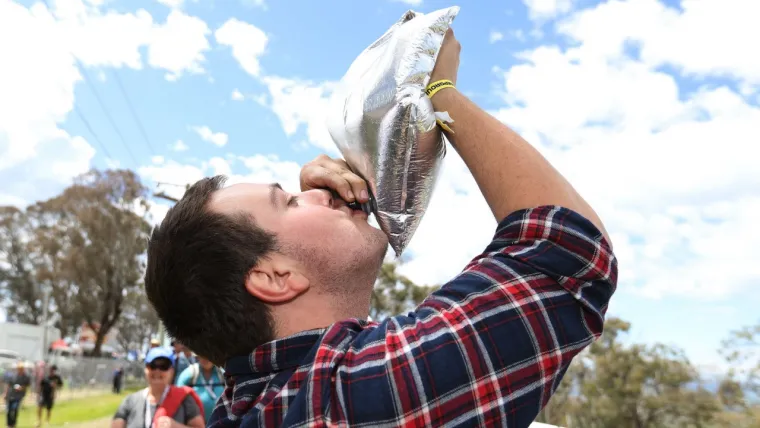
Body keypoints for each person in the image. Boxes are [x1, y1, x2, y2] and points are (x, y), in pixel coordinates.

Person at [144, 28, 617, 428]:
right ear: (274, 279)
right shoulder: (352, 398)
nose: (312, 188)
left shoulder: (265, 401)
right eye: (287, 200)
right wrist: (436, 88)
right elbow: (568, 252)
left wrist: (351, 189)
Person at [112, 347, 205, 428]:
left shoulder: (185, 399)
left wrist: (176, 426)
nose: (157, 370)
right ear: (145, 369)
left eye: (163, 366)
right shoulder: (131, 401)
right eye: (152, 365)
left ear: (172, 371)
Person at [175, 356, 225, 424]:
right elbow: (177, 398)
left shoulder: (222, 373)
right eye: (202, 355)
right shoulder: (189, 373)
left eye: (208, 355)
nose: (206, 358)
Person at [3, 362, 30, 428]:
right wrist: (5, 393)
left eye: (21, 368)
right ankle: (9, 425)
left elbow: (27, 386)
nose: (20, 369)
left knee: (15, 409)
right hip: (10, 395)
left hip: (18, 396)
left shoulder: (26, 377)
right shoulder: (13, 376)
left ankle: (14, 424)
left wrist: (21, 388)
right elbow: (8, 385)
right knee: (8, 410)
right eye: (19, 368)